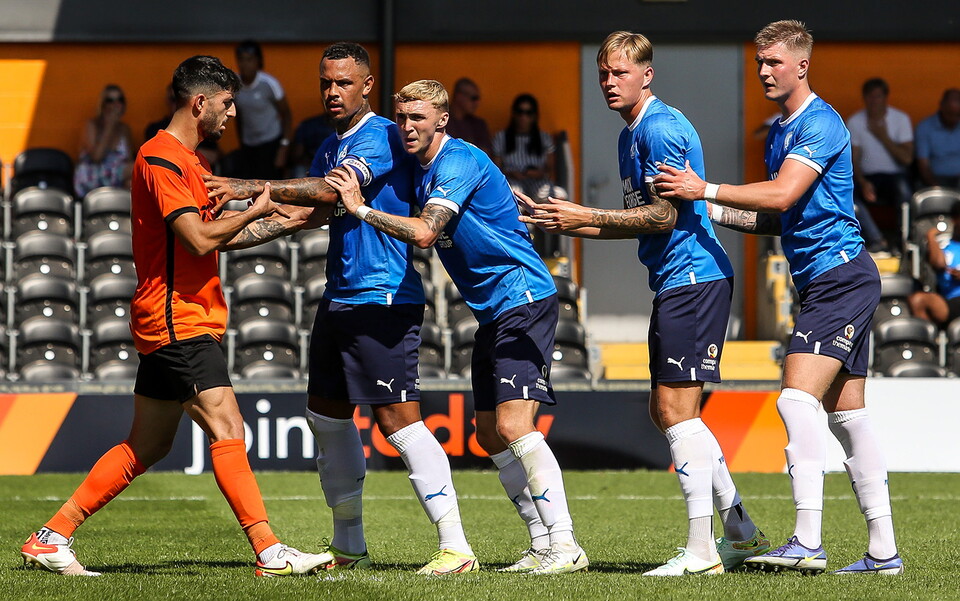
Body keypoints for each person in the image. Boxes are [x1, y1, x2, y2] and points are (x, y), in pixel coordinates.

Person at [20, 55, 325, 578]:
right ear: (199, 102)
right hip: (177, 319)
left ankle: (52, 536)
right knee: (228, 424)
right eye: (227, 104)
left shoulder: (190, 163)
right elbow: (199, 236)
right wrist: (258, 205)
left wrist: (290, 223)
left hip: (173, 318)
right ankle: (271, 552)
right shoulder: (160, 159)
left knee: (150, 443)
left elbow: (222, 239)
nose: (232, 115)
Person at [205, 43, 477, 576]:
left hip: (382, 297)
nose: (333, 92)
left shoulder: (379, 136)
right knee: (326, 418)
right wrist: (222, 236)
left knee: (399, 424)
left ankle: (456, 547)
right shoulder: (330, 146)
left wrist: (246, 184)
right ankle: (349, 544)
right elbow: (303, 212)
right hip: (340, 298)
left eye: (344, 83)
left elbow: (328, 191)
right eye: (326, 82)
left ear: (367, 85)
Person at [656, 20, 903, 575]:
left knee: (795, 400)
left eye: (772, 62)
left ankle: (807, 542)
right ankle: (884, 553)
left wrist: (704, 187)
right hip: (829, 279)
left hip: (838, 276)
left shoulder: (820, 122)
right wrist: (709, 210)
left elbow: (784, 191)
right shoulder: (779, 131)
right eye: (759, 62)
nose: (764, 71)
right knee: (850, 417)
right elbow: (777, 215)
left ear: (802, 65)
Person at [518, 31, 766, 577]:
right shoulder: (631, 133)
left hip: (695, 278)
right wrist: (571, 221)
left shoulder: (658, 128)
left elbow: (665, 217)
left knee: (677, 411)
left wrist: (586, 213)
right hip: (676, 280)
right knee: (667, 410)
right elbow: (643, 221)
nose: (608, 82)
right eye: (603, 73)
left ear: (646, 75)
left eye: (620, 73)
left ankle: (702, 552)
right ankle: (741, 532)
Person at [326, 79, 589, 576]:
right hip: (493, 310)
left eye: (417, 118)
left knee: (513, 425)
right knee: (490, 434)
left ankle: (566, 543)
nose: (406, 127)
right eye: (401, 118)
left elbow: (426, 232)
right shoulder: (429, 166)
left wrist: (360, 207)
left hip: (524, 298)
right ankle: (541, 542)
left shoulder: (455, 161)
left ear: (442, 119)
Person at [846, 78, 914, 253]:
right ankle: (877, 240)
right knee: (846, 194)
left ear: (885, 97)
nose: (874, 101)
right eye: (870, 96)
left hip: (895, 177)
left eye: (878, 96)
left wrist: (882, 136)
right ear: (864, 98)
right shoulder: (855, 121)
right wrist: (862, 181)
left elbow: (906, 159)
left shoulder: (900, 119)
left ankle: (902, 243)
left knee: (904, 191)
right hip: (867, 178)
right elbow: (853, 159)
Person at [234, 40, 293, 180]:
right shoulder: (235, 84)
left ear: (258, 61)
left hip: (271, 143)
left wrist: (283, 148)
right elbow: (238, 116)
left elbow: (287, 115)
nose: (245, 64)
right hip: (248, 144)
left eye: (249, 60)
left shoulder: (269, 84)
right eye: (241, 60)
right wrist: (241, 142)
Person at [492, 94, 565, 201]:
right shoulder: (501, 137)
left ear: (535, 116)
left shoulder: (544, 138)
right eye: (520, 112)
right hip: (512, 180)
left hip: (538, 181)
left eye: (528, 113)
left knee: (558, 195)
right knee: (512, 196)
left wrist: (537, 173)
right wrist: (512, 173)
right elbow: (496, 169)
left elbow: (550, 169)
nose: (523, 117)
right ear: (514, 114)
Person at [73, 84, 134, 198]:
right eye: (110, 100)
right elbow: (96, 157)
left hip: (117, 175)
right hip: (92, 175)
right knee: (138, 168)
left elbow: (128, 159)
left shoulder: (124, 129)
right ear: (102, 104)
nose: (116, 104)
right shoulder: (92, 125)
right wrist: (110, 125)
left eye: (119, 100)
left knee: (131, 183)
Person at [145, 83, 221, 169]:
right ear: (167, 101)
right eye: (174, 99)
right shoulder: (154, 128)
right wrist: (194, 153)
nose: (178, 103)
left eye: (183, 99)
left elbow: (213, 156)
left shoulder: (203, 126)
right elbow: (156, 157)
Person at [908, 202, 960, 326]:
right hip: (950, 301)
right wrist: (931, 236)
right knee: (918, 300)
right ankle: (928, 342)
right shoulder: (945, 245)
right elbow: (938, 264)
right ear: (955, 219)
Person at [916, 89, 960, 189]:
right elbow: (923, 165)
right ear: (941, 106)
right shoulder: (925, 127)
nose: (954, 119)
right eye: (950, 114)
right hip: (936, 179)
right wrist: (937, 187)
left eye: (958, 115)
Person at [445, 77, 493, 154]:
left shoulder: (479, 125)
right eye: (474, 98)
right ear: (459, 96)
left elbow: (484, 153)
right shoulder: (441, 120)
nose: (477, 103)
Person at [288, 112, 335, 177]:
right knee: (300, 172)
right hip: (310, 163)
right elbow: (297, 154)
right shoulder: (309, 125)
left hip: (336, 166)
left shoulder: (349, 130)